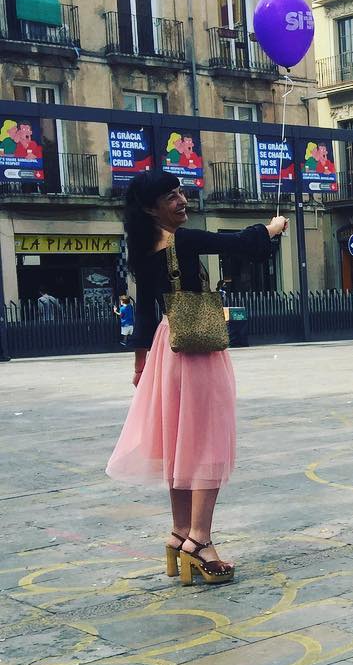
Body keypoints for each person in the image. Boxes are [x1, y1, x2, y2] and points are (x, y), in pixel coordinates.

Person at [106, 170, 286, 586]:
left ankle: (179, 533)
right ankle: (201, 542)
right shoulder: (182, 241)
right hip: (198, 348)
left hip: (165, 351)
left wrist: (139, 366)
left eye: (181, 192)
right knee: (207, 441)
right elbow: (241, 245)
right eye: (172, 196)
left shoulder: (142, 248)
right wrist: (271, 228)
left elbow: (147, 314)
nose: (183, 200)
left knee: (179, 446)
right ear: (152, 207)